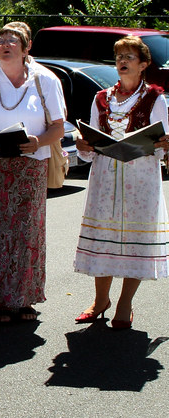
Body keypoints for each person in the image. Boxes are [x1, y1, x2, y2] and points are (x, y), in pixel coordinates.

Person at [0, 25, 65, 323]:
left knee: (25, 233)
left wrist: (38, 142)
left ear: (26, 47)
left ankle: (24, 299)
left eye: (11, 41)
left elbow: (58, 126)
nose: (4, 45)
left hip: (30, 165)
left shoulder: (45, 79)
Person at [73, 36, 169, 330]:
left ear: (143, 65)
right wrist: (83, 145)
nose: (122, 62)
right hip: (105, 176)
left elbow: (163, 142)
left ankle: (125, 303)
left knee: (135, 242)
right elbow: (88, 139)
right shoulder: (101, 98)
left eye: (129, 57)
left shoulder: (155, 98)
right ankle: (101, 300)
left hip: (140, 178)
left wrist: (161, 144)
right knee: (105, 239)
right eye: (118, 58)